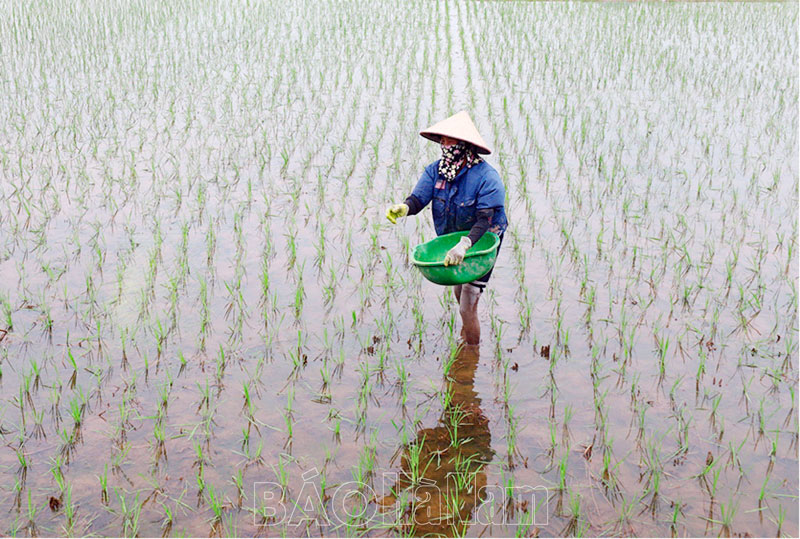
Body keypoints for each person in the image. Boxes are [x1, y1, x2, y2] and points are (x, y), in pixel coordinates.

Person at [386, 111, 507, 345]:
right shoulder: (436, 170)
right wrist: (404, 207)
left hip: (482, 240)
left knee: (468, 303)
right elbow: (418, 199)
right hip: (453, 238)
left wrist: (465, 245)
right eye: (442, 139)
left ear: (463, 144)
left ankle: (470, 357)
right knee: (458, 289)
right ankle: (466, 335)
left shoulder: (487, 177)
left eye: (449, 140)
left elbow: (485, 220)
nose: (444, 144)